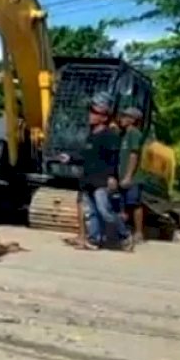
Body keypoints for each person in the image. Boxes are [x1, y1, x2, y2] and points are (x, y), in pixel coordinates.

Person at [58, 92, 133, 250]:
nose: (90, 115)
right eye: (91, 111)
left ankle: (125, 235)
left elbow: (114, 158)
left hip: (102, 180)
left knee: (104, 210)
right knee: (91, 213)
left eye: (94, 112)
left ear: (104, 117)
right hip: (88, 179)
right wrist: (70, 158)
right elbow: (86, 156)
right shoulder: (91, 136)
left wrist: (112, 176)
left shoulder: (110, 136)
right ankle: (94, 239)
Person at [118, 106, 145, 243]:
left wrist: (129, 175)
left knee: (134, 203)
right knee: (123, 205)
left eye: (125, 116)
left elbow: (134, 154)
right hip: (122, 176)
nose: (121, 119)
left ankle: (139, 232)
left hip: (133, 178)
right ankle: (124, 231)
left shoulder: (134, 133)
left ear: (133, 120)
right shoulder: (124, 134)